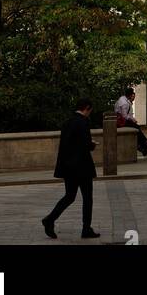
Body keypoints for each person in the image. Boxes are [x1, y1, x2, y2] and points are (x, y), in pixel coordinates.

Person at [41, 98, 99, 239]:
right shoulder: (83, 122)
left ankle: (50, 219)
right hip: (82, 166)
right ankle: (86, 228)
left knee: (69, 196)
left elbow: (68, 144)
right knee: (87, 198)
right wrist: (92, 144)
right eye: (89, 111)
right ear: (87, 108)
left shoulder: (68, 122)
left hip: (68, 167)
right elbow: (85, 144)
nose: (89, 114)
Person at [114, 88, 147, 159]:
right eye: (133, 96)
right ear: (130, 95)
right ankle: (146, 145)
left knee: (138, 133)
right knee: (137, 128)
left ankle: (146, 149)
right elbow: (124, 116)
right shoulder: (124, 103)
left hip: (121, 121)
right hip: (121, 122)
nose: (134, 97)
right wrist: (133, 119)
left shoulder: (123, 100)